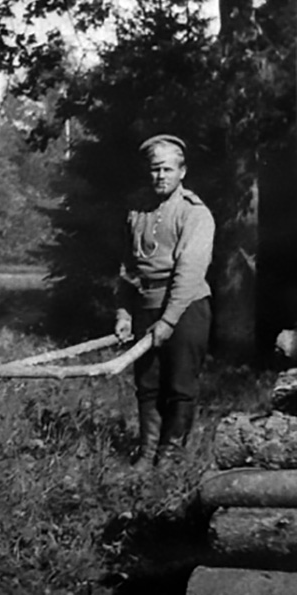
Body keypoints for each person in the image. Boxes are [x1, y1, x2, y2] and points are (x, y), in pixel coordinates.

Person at [114, 135, 215, 471]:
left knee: (180, 385)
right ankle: (147, 453)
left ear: (182, 172)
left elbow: (189, 272)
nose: (160, 176)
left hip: (186, 309)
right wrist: (124, 313)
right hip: (146, 306)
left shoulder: (194, 213)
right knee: (148, 384)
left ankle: (170, 457)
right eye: (155, 169)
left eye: (168, 170)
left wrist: (169, 321)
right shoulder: (137, 211)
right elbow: (128, 267)